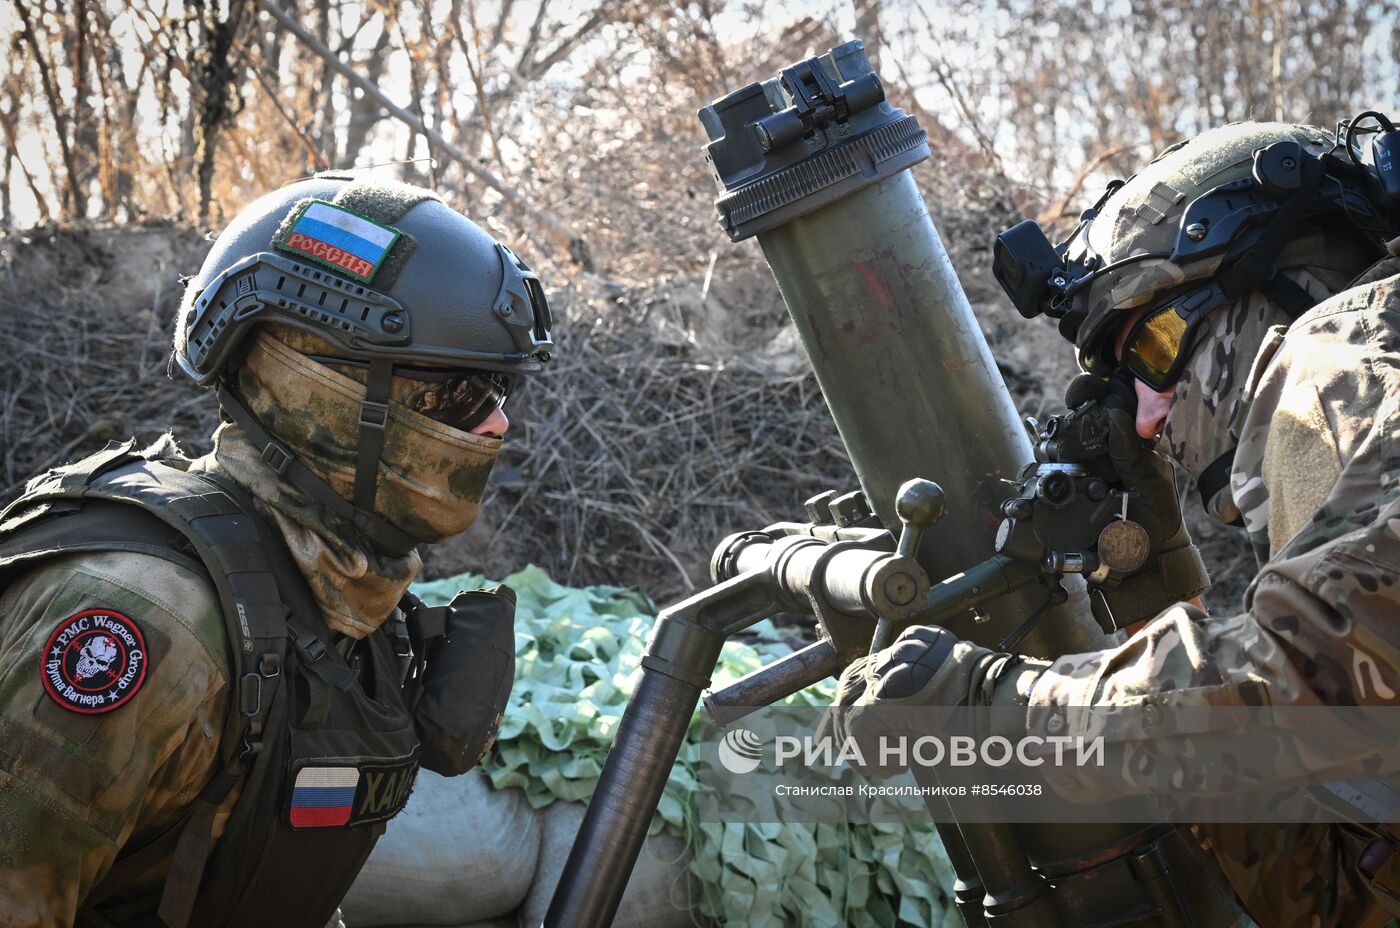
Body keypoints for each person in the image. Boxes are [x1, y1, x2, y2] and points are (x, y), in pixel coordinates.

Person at [833, 118, 1400, 926]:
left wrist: (999, 703)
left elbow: (1313, 682)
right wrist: (1152, 580)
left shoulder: (1346, 354)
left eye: (1158, 347)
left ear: (1290, 277)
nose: (1147, 418)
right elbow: (1337, 895)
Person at [0, 175, 553, 927]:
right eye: (451, 398)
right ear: (318, 393)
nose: (494, 429)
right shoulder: (148, 620)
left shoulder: (339, 604)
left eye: (494, 395)